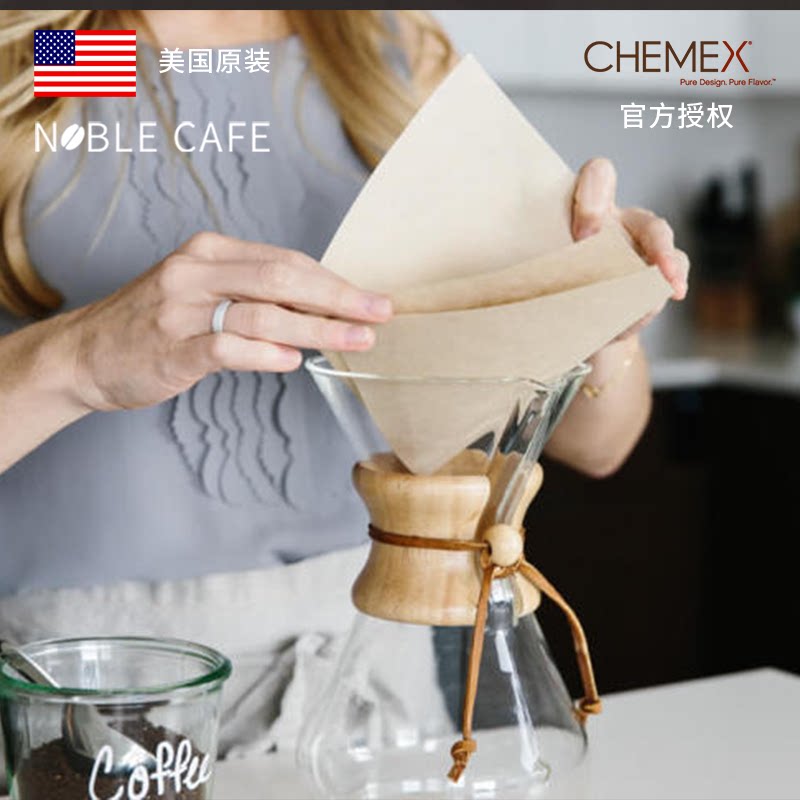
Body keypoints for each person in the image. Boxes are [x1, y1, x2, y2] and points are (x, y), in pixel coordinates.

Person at [0, 9, 689, 759]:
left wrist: (596, 304)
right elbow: (141, 72)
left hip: (369, 673)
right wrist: (80, 359)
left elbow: (599, 444)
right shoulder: (47, 56)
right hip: (81, 692)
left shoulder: (369, 50)